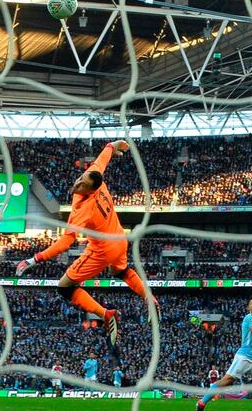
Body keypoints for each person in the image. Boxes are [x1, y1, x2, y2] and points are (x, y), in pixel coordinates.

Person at [16, 140, 155, 349]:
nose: (78, 184)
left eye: (82, 185)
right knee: (122, 271)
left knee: (64, 287)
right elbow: (102, 160)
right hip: (119, 240)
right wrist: (113, 146)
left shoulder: (83, 208)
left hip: (103, 250)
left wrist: (35, 258)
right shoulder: (95, 177)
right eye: (80, 178)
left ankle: (107, 315)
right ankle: (150, 299)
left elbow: (66, 242)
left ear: (90, 191)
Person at [197, 295, 252, 411]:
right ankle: (201, 403)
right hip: (243, 357)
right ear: (248, 307)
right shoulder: (249, 318)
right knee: (226, 381)